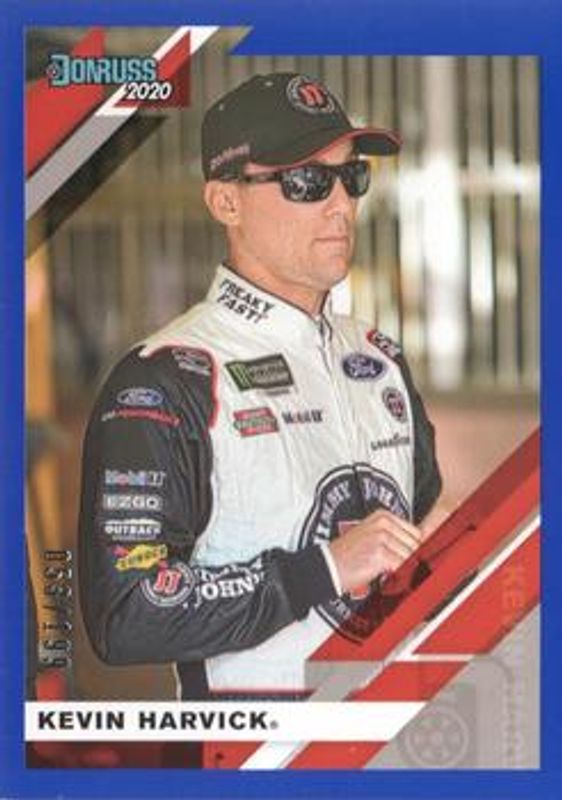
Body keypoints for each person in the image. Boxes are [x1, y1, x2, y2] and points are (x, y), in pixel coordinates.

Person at [78, 72, 442, 707]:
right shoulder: (166, 378)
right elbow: (127, 612)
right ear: (226, 202)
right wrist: (322, 569)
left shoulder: (379, 359)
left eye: (351, 177)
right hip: (254, 752)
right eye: (306, 181)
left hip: (392, 739)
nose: (341, 204)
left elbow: (417, 531)